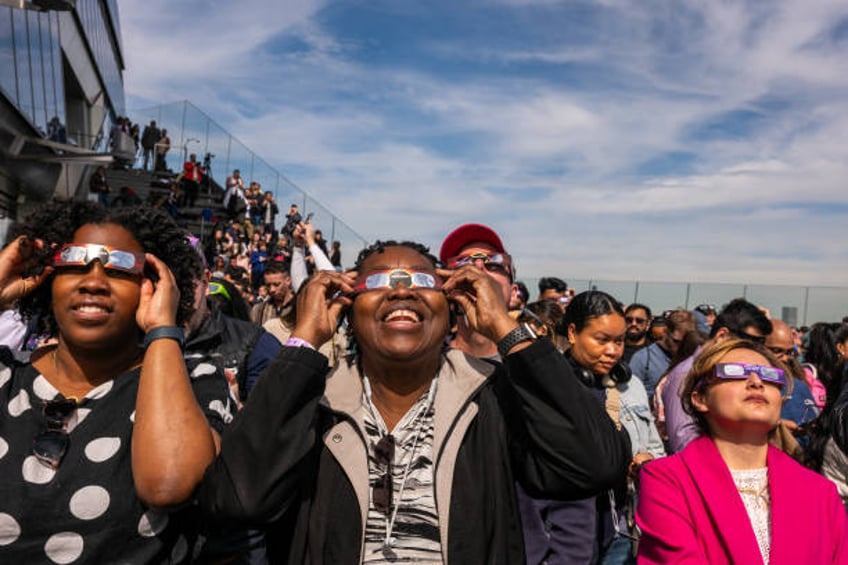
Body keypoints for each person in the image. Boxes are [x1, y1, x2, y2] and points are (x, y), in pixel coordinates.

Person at [197, 240, 631, 563]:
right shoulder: (314, 400)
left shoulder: (492, 396)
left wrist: (507, 328)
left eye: (424, 281)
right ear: (346, 306)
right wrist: (304, 341)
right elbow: (238, 498)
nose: (401, 290)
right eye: (379, 281)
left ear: (452, 304)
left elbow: (595, 462)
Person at [0, 201, 229, 562]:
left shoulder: (194, 381)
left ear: (153, 285)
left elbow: (169, 485)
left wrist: (162, 329)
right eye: (74, 261)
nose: (93, 281)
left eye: (120, 268)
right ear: (47, 278)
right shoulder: (6, 376)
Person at [636, 338, 847, 563]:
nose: (756, 382)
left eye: (770, 376)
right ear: (699, 398)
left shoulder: (821, 492)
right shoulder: (666, 480)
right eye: (735, 372)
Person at [518, 291, 664, 564]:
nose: (613, 351)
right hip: (566, 539)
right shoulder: (552, 388)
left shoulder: (628, 385)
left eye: (619, 341)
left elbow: (654, 445)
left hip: (620, 529)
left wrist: (646, 463)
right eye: (602, 340)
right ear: (573, 333)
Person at [662, 298, 773, 453]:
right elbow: (683, 443)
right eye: (750, 342)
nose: (755, 350)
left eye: (760, 344)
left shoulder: (734, 373)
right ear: (722, 335)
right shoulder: (685, 374)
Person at [630, 309, 696, 401]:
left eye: (686, 342)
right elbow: (630, 396)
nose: (680, 347)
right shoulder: (642, 358)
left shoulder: (693, 358)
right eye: (676, 341)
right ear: (665, 332)